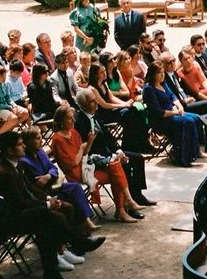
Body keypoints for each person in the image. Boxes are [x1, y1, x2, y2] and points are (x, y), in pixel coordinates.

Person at [0, 146, 73, 279]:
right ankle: (71, 244)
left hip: (5, 218)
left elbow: (0, 202)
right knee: (44, 215)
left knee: (44, 222)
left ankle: (52, 271)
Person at [51, 103, 143, 222]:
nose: (73, 120)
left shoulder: (73, 132)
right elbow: (71, 164)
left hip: (85, 165)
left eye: (73, 117)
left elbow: (85, 153)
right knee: (116, 172)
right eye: (69, 118)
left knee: (115, 166)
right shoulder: (57, 139)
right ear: (61, 121)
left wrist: (89, 141)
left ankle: (124, 207)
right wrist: (81, 149)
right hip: (76, 173)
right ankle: (124, 206)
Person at [73, 90, 156, 219]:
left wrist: (118, 151)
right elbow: (87, 148)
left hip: (110, 153)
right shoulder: (79, 122)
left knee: (138, 159)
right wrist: (113, 157)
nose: (96, 103)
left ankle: (137, 195)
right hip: (96, 159)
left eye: (96, 99)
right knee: (125, 167)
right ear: (83, 105)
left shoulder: (94, 115)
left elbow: (109, 136)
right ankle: (127, 208)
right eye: (92, 101)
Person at [19, 126, 102, 233]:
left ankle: (86, 221)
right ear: (29, 141)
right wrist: (50, 176)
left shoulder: (41, 152)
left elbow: (53, 168)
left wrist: (48, 175)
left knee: (75, 187)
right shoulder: (25, 161)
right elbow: (38, 181)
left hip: (53, 183)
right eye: (38, 138)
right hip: (44, 192)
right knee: (67, 198)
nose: (42, 141)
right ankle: (79, 229)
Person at [142, 62, 205, 167]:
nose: (162, 75)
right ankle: (184, 157)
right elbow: (158, 112)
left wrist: (179, 106)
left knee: (197, 118)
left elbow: (172, 96)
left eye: (163, 72)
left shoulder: (163, 83)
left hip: (173, 112)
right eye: (159, 73)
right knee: (188, 121)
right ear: (153, 75)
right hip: (161, 120)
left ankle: (194, 150)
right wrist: (176, 112)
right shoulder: (149, 89)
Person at [87, 62, 150, 153]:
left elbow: (112, 98)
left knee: (134, 111)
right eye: (101, 72)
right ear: (95, 75)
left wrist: (126, 103)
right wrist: (123, 105)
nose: (105, 73)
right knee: (127, 114)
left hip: (111, 110)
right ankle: (127, 147)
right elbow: (104, 104)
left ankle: (140, 143)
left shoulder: (104, 84)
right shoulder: (92, 88)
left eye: (104, 71)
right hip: (103, 114)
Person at [161, 52, 207, 116]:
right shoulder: (163, 79)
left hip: (189, 100)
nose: (172, 64)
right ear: (163, 65)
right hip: (180, 107)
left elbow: (191, 91)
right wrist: (185, 101)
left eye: (173, 60)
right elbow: (171, 99)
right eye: (169, 62)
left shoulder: (174, 73)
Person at [0, 65, 30, 136]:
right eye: (1, 76)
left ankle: (8, 131)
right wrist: (8, 107)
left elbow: (8, 98)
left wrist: (13, 105)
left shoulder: (4, 84)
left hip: (6, 106)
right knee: (13, 118)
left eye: (4, 75)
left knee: (25, 113)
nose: (3, 78)